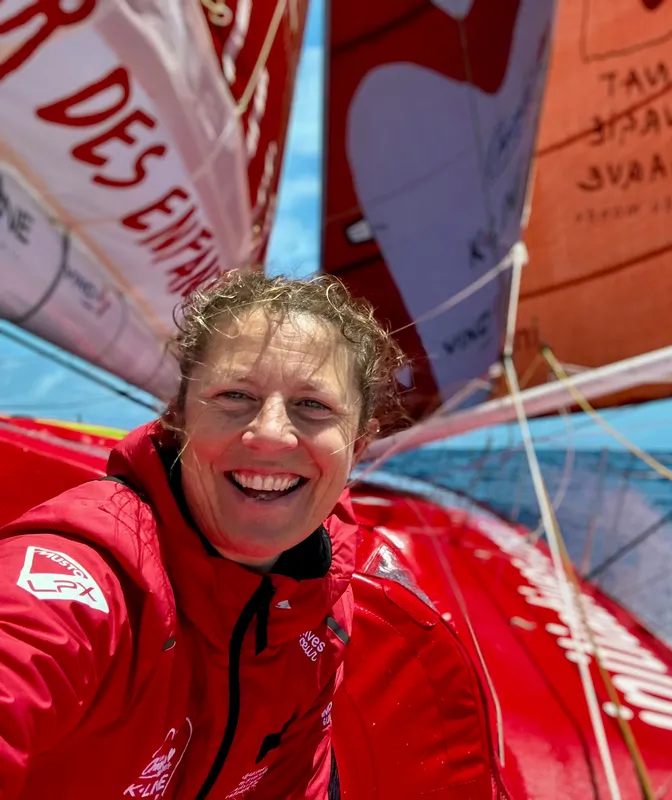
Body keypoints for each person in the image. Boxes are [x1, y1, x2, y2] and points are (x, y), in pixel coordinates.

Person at [0, 272, 403, 799]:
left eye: (314, 406)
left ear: (358, 445)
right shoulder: (90, 573)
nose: (269, 434)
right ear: (179, 418)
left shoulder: (321, 605)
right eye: (235, 395)